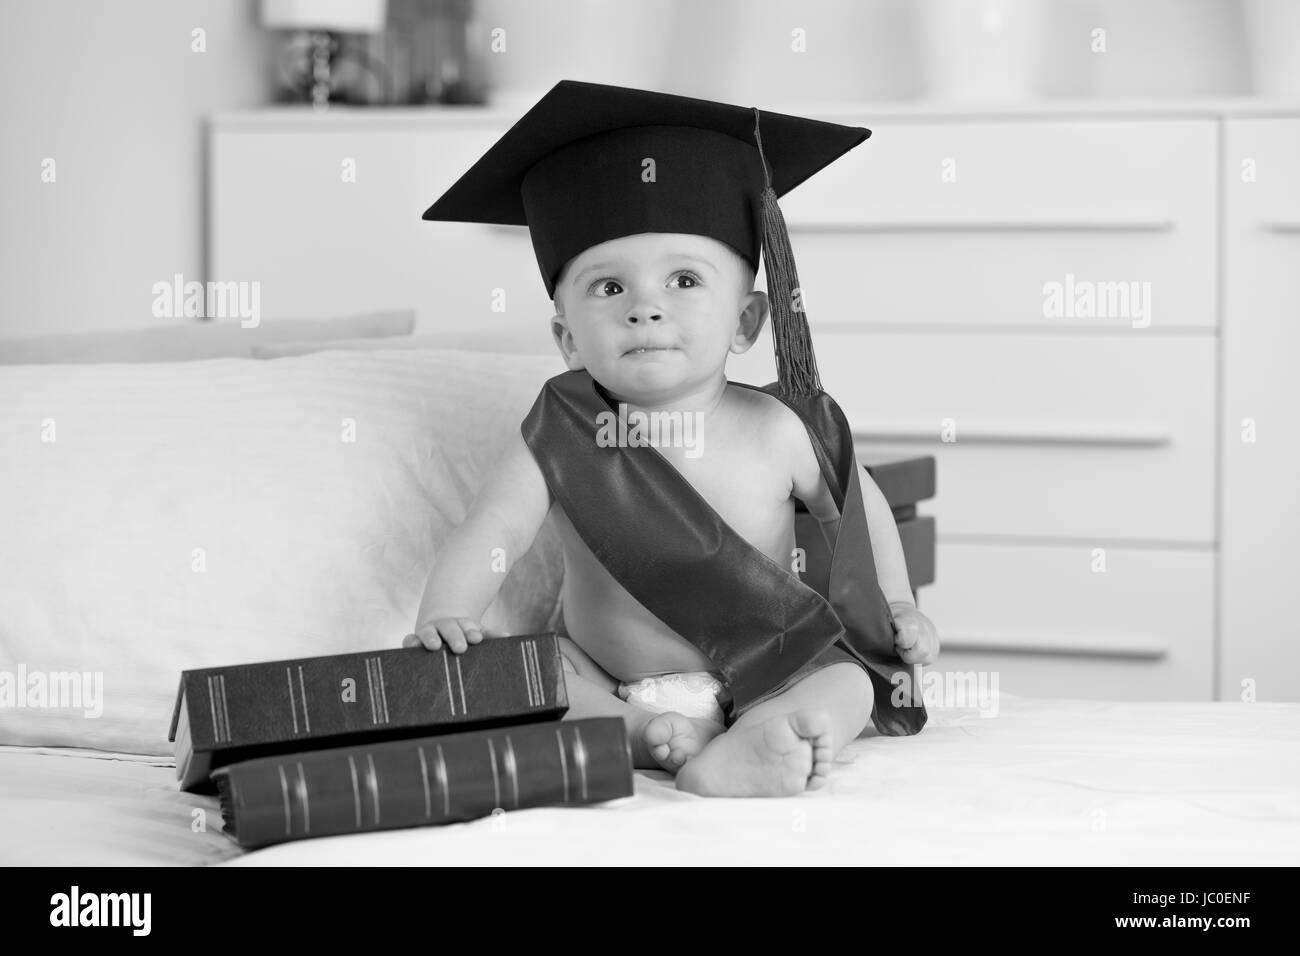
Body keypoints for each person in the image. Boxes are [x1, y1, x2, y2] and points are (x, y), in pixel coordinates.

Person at [405, 80, 939, 797]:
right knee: (532, 672)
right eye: (607, 288)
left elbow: (859, 509)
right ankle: (641, 735)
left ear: (747, 322)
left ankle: (761, 740)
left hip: (767, 670)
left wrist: (899, 605)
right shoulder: (556, 433)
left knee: (848, 682)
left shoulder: (779, 430)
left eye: (684, 279)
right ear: (566, 337)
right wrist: (447, 614)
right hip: (611, 676)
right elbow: (493, 528)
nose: (646, 309)